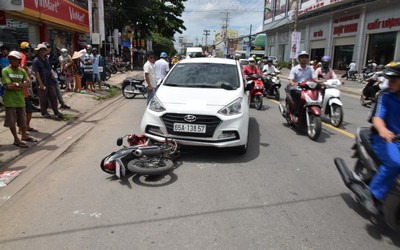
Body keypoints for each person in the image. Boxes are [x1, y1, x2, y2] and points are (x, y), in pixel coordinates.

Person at [363, 60, 400, 214]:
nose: (389, 83)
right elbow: (378, 117)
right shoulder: (385, 96)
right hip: (385, 139)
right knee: (395, 163)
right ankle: (373, 194)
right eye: (389, 80)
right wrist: (384, 130)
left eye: (393, 80)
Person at [2, 51, 37, 148]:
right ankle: (16, 139)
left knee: (22, 120)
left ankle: (24, 135)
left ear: (19, 60)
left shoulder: (22, 71)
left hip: (20, 99)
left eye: (14, 59)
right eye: (11, 58)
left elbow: (28, 83)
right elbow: (8, 86)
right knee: (11, 121)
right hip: (10, 100)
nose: (12, 60)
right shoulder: (5, 71)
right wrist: (21, 85)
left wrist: (16, 85)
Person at [32, 43, 63, 119]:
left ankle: (56, 111)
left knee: (53, 96)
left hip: (50, 81)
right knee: (43, 98)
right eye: (41, 50)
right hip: (42, 81)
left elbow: (49, 69)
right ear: (38, 51)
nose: (43, 51)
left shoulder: (46, 59)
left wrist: (52, 73)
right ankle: (44, 112)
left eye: (44, 50)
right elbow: (36, 73)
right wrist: (41, 84)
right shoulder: (36, 60)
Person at [288, 51, 317, 116]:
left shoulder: (311, 68)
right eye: (302, 57)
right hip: (297, 88)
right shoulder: (295, 69)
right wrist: (293, 83)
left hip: (307, 88)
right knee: (298, 99)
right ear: (299, 59)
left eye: (306, 57)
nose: (304, 59)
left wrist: (320, 82)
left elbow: (314, 79)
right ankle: (295, 114)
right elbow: (291, 79)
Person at [19, 41, 38, 133]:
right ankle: (25, 127)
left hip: (21, 89)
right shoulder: (23, 56)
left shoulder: (19, 55)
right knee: (27, 110)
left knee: (21, 111)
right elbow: (22, 66)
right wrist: (26, 77)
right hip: (23, 89)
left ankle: (23, 127)